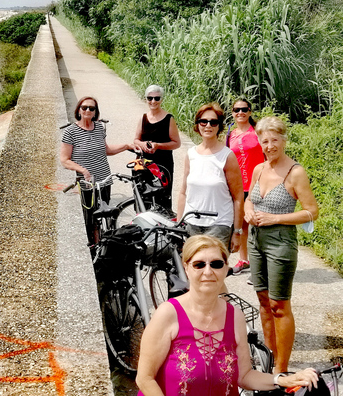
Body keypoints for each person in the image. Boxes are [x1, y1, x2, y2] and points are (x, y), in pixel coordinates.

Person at [136, 235, 319, 395]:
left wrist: (281, 380)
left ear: (225, 269)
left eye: (216, 264)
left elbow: (244, 375)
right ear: (187, 268)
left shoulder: (235, 317)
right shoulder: (168, 314)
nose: (208, 272)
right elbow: (145, 378)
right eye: (199, 264)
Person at [245, 116, 319, 374]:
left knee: (279, 304)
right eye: (264, 141)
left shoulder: (295, 172)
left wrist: (276, 218)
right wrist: (247, 212)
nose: (269, 145)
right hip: (255, 240)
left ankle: (281, 369)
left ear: (283, 140)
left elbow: (311, 212)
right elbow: (249, 200)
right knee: (263, 301)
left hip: (281, 243)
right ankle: (269, 360)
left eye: (274, 140)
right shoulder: (258, 169)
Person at [60, 96, 132, 245]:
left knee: (104, 214)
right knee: (91, 218)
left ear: (95, 112)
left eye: (91, 108)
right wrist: (82, 170)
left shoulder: (99, 127)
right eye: (84, 107)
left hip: (104, 179)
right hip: (87, 183)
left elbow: (106, 150)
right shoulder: (70, 132)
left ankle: (103, 245)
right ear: (78, 110)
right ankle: (93, 247)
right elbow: (64, 160)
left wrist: (126, 146)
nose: (87, 110)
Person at [176, 103, 244, 251]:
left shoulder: (227, 156)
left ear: (219, 126)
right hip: (191, 224)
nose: (208, 126)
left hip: (219, 226)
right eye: (203, 121)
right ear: (197, 124)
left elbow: (238, 197)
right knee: (193, 270)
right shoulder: (191, 154)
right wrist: (179, 223)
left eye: (213, 122)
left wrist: (237, 232)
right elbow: (183, 192)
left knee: (214, 271)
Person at [225, 98, 265, 275]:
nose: (240, 113)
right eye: (236, 110)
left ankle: (262, 262)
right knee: (240, 224)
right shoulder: (230, 134)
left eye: (243, 109)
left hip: (257, 184)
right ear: (232, 113)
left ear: (250, 111)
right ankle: (244, 260)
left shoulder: (258, 132)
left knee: (259, 224)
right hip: (237, 185)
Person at [133, 85, 181, 210]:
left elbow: (176, 143)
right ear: (146, 99)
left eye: (156, 98)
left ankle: (163, 226)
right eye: (150, 98)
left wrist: (158, 145)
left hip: (163, 164)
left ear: (161, 99)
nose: (153, 101)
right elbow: (136, 140)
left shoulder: (169, 119)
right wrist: (142, 144)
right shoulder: (143, 118)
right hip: (144, 164)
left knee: (162, 197)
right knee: (144, 197)